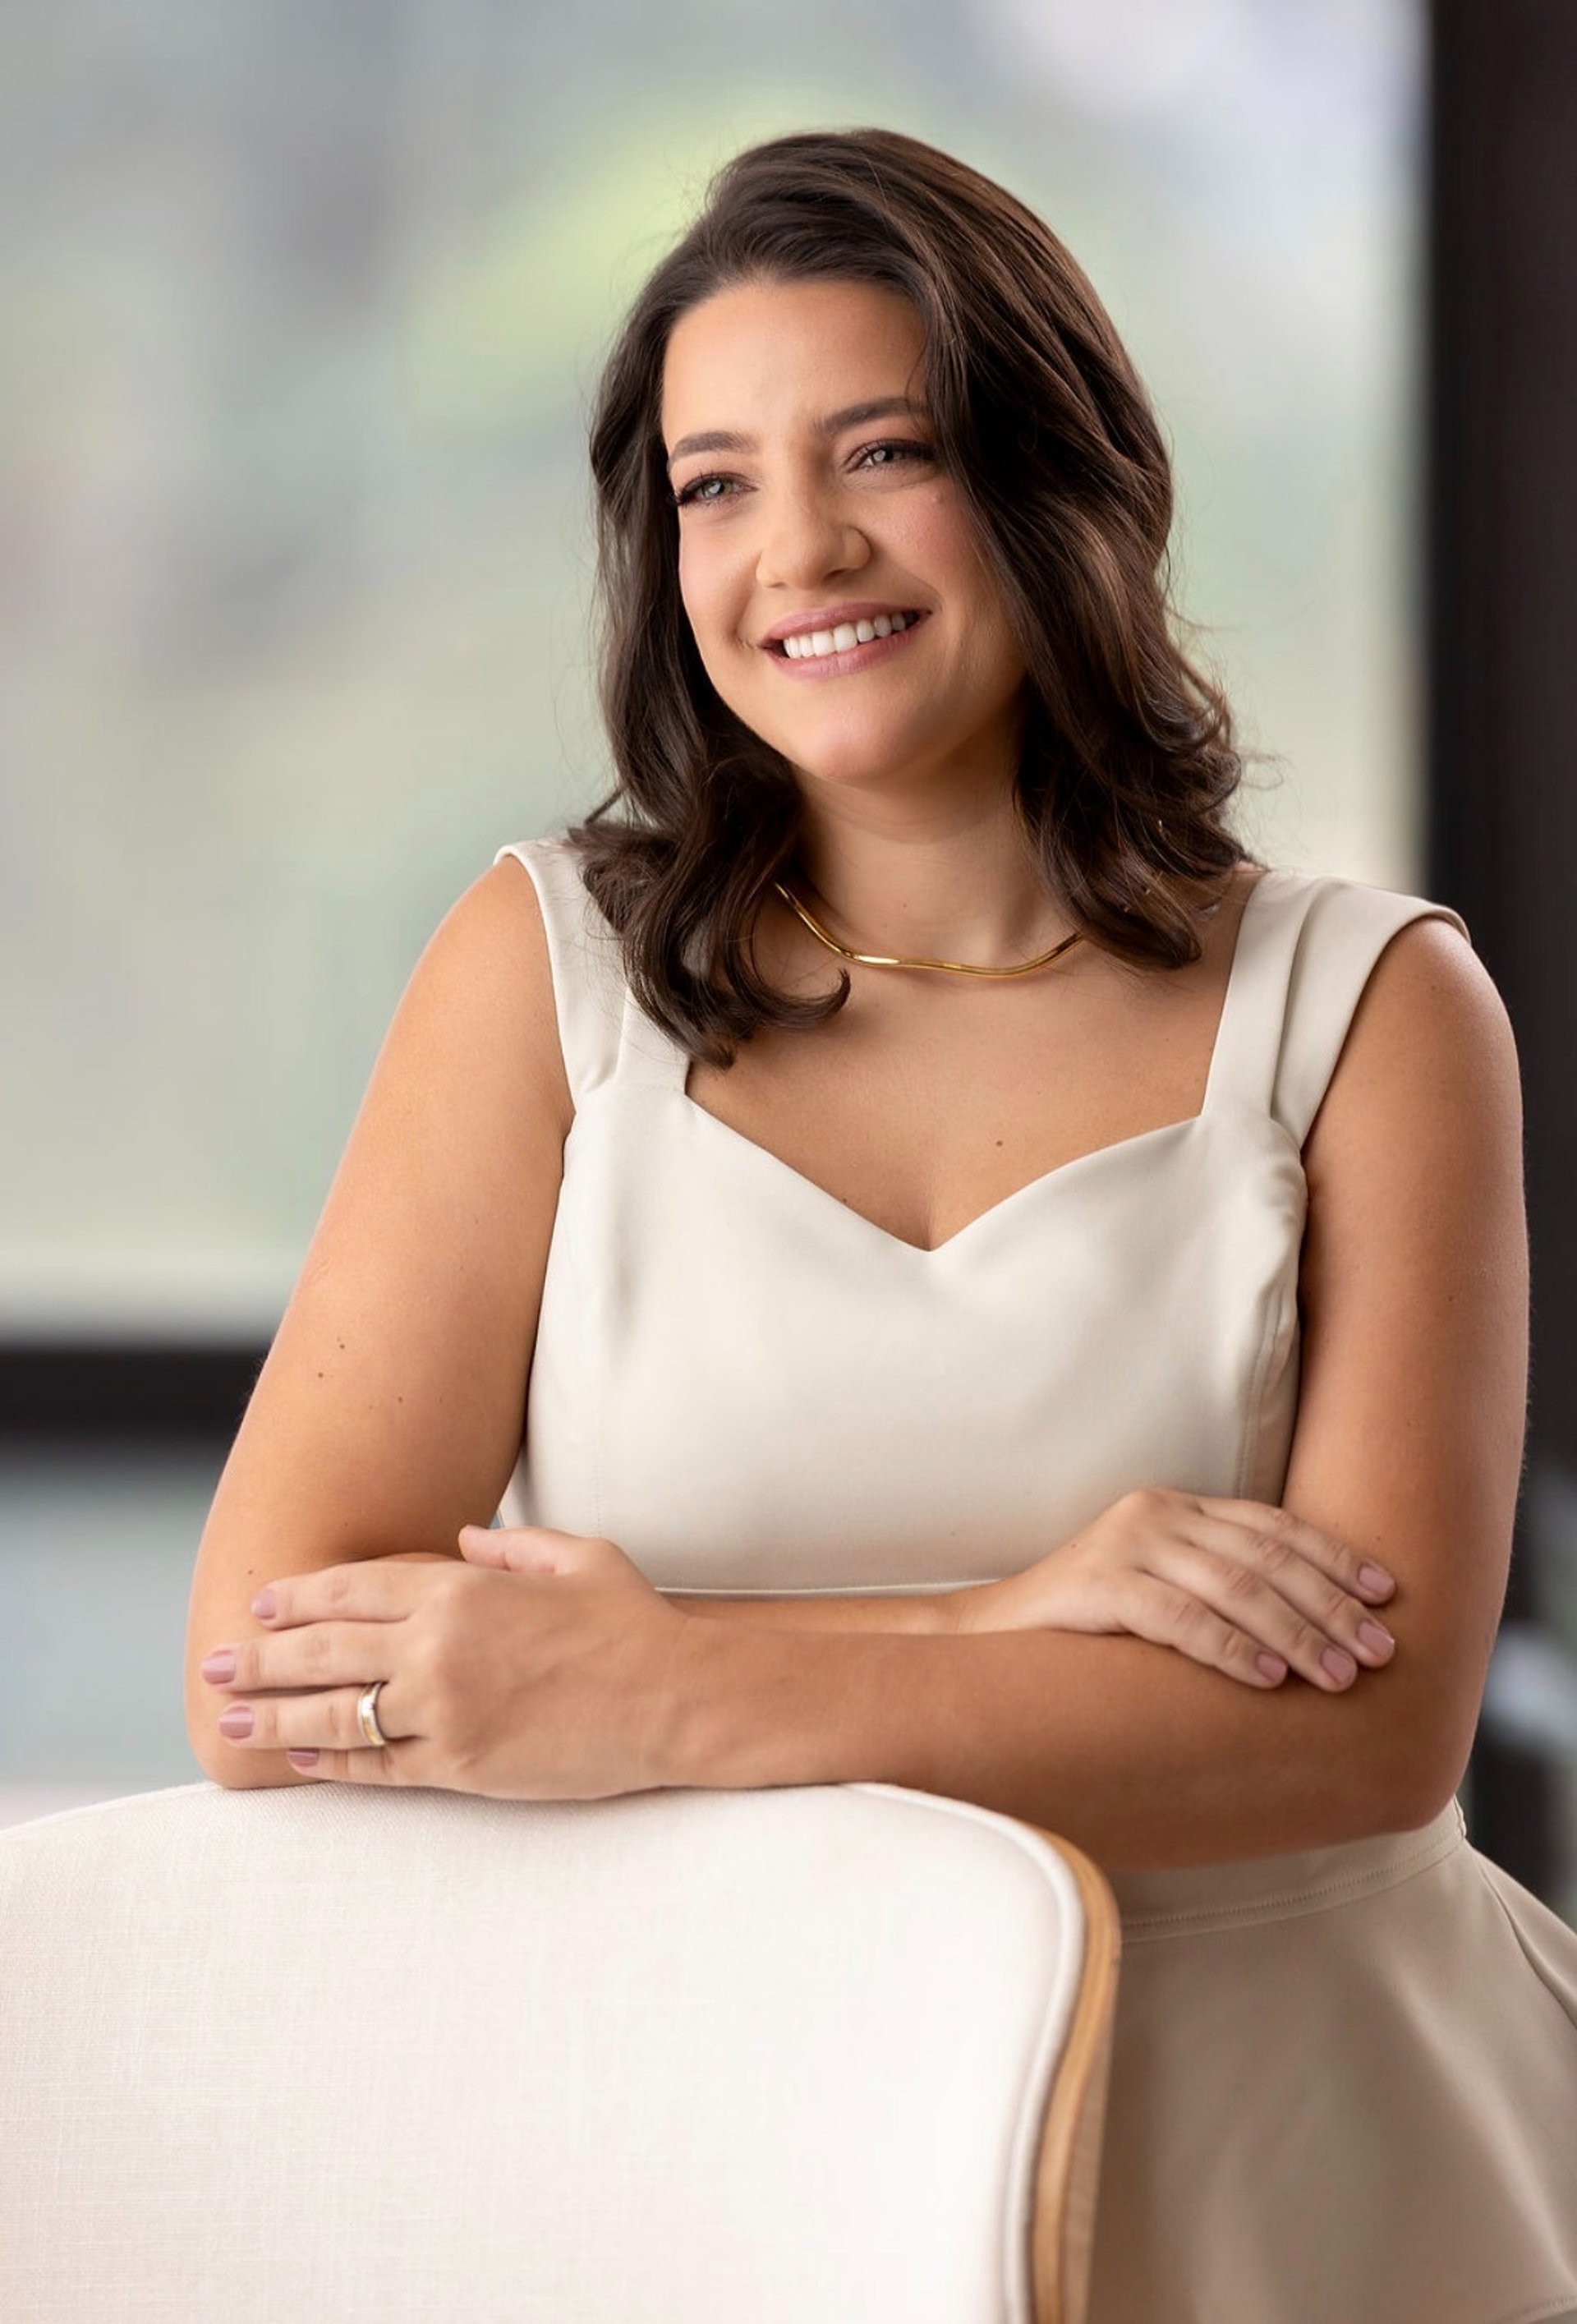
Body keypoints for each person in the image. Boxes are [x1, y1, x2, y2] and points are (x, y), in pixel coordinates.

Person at [184, 127, 1577, 2319]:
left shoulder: (1377, 1008)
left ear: (1057, 476)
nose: (796, 547)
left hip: (1319, 2149)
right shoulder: (541, 974)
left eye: (884, 450)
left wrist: (650, 1690)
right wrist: (1009, 1620)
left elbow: (1362, 1738)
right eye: (714, 481)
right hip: (730, 2134)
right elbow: (263, 1683)